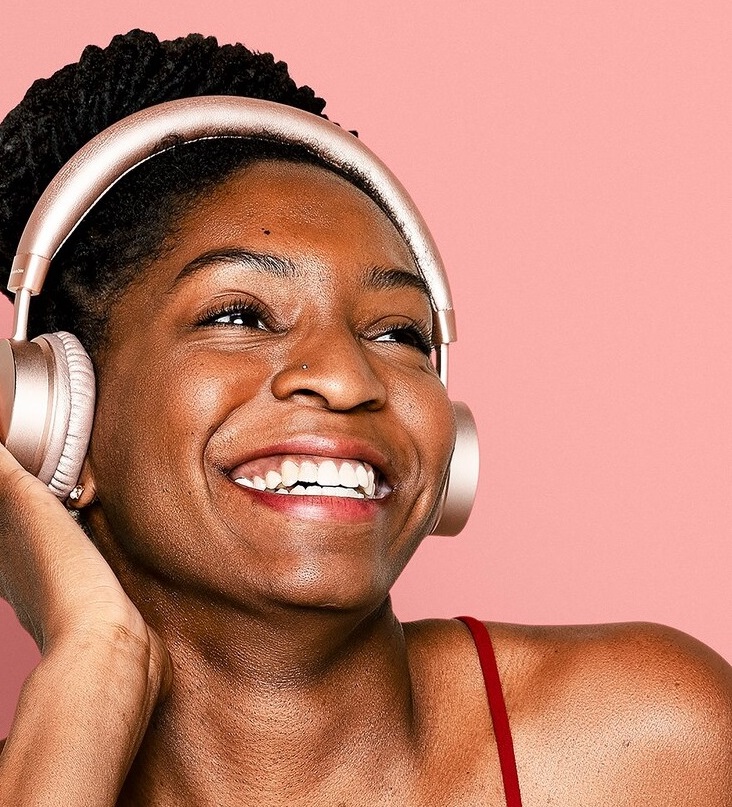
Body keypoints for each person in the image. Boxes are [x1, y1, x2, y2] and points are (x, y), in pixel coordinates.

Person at [0, 29, 729, 807]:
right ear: (60, 413)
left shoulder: (655, 743)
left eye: (397, 332)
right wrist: (92, 663)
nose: (349, 378)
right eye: (242, 317)